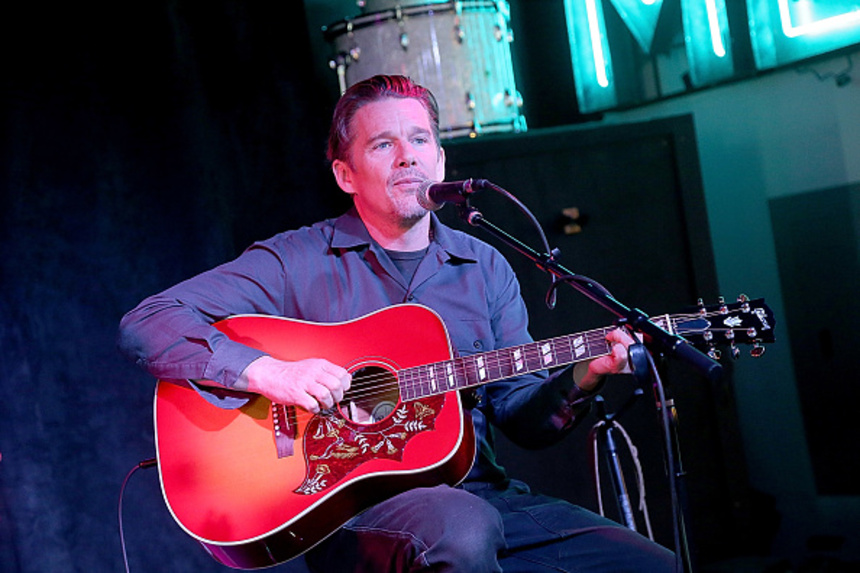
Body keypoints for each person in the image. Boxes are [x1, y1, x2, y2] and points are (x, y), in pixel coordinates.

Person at [118, 74, 674, 572]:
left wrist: (587, 374)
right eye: (383, 145)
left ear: (441, 162)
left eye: (420, 140)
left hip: (484, 496)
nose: (407, 157)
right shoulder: (296, 260)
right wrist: (269, 372)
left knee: (653, 565)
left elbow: (522, 418)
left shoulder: (484, 267)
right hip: (354, 512)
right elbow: (148, 321)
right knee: (462, 530)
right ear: (346, 175)